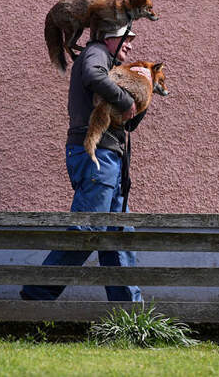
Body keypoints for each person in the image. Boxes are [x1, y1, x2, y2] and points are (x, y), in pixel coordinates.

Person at [20, 26, 147, 302]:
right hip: (96, 156)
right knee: (89, 228)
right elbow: (91, 74)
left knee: (119, 232)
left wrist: (143, 93)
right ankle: (36, 297)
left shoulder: (110, 63)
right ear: (111, 37)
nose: (131, 46)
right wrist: (125, 98)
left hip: (109, 156)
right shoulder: (96, 53)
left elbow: (130, 122)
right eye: (128, 39)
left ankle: (130, 313)